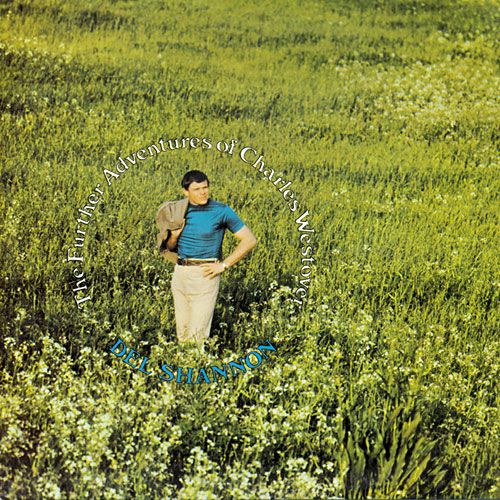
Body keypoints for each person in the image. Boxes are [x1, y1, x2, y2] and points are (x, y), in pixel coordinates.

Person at [164, 170, 257, 346]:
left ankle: (196, 359)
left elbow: (249, 240)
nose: (203, 192)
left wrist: (223, 265)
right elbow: (168, 247)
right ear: (185, 191)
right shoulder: (177, 211)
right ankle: (184, 362)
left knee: (197, 335)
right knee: (182, 333)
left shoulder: (221, 211)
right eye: (197, 189)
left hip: (205, 273)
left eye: (205, 187)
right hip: (180, 273)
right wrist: (174, 236)